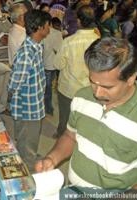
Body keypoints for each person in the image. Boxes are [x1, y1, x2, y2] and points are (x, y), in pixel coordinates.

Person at [36, 37, 137, 191]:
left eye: (107, 87)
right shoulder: (82, 96)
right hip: (74, 190)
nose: (97, 93)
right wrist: (52, 158)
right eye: (92, 81)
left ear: (131, 79)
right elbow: (70, 136)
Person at [8, 9, 51, 172]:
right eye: (47, 26)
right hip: (28, 108)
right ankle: (27, 171)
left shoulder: (37, 47)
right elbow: (14, 83)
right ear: (39, 28)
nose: (49, 29)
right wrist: (13, 100)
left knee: (30, 139)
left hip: (35, 104)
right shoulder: (27, 53)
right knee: (27, 140)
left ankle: (28, 156)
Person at [53, 5, 99, 138]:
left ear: (78, 21)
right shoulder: (98, 42)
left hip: (68, 88)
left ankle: (62, 138)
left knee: (65, 116)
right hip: (89, 89)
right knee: (84, 117)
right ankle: (80, 139)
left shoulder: (69, 42)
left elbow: (58, 64)